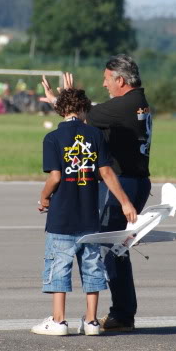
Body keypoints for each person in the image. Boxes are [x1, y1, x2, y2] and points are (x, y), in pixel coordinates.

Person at [41, 54, 152, 332]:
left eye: (106, 79)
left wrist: (61, 99)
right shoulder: (138, 103)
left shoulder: (123, 105)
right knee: (116, 249)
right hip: (137, 180)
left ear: (120, 80)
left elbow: (81, 117)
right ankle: (121, 313)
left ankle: (121, 315)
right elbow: (88, 112)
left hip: (122, 182)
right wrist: (67, 97)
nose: (104, 84)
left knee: (103, 247)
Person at [31, 88, 137, 337]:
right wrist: (125, 202)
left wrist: (44, 197)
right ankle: (91, 321)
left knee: (59, 266)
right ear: (83, 110)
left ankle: (59, 321)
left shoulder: (53, 138)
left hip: (61, 217)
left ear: (60, 109)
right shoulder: (95, 135)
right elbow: (107, 173)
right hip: (90, 216)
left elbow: (55, 176)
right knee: (92, 268)